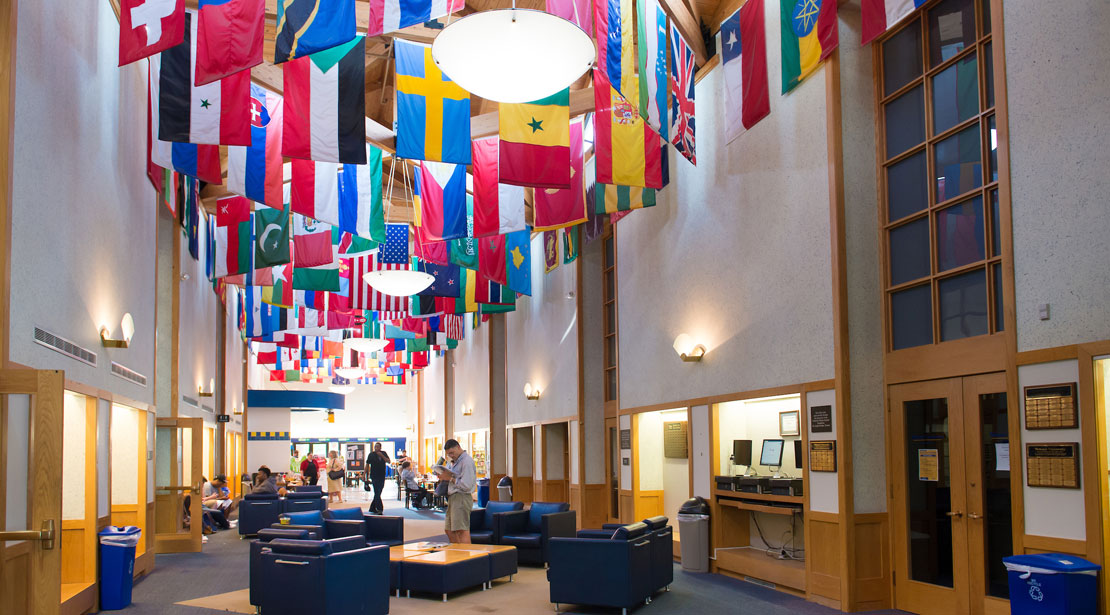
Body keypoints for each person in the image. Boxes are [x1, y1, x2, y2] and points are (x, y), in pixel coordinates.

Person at [438, 439, 476, 544]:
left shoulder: (466, 461)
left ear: (459, 447)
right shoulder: (453, 462)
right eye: (448, 454)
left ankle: (466, 557)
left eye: (452, 453)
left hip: (462, 497)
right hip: (452, 497)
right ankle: (457, 553)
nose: (451, 455)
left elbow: (467, 485)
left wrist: (450, 479)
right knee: (449, 530)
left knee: (461, 530)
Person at [366, 443, 389, 514]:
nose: (376, 448)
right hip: (374, 475)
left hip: (382, 475)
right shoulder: (371, 454)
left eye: (377, 447)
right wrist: (365, 475)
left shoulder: (384, 453)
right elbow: (367, 465)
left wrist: (382, 456)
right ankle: (380, 509)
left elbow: (388, 461)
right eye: (375, 447)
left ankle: (372, 508)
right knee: (377, 491)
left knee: (379, 491)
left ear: (380, 447)